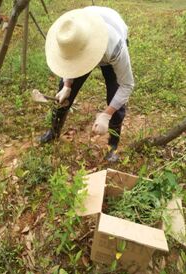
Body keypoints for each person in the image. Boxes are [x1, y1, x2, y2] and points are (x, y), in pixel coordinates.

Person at [39, 6, 134, 162]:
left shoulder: (115, 46)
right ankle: (53, 132)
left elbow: (127, 85)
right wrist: (67, 86)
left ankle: (112, 147)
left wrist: (106, 114)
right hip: (82, 39)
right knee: (62, 95)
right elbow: (68, 62)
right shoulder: (70, 34)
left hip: (109, 49)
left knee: (115, 98)